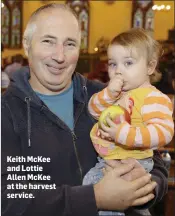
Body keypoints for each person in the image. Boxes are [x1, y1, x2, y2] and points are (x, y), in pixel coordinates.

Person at [1, 4, 168, 216]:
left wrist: (142, 185)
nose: (59, 56)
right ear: (27, 45)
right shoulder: (6, 113)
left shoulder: (107, 96)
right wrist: (95, 197)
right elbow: (8, 199)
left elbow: (157, 165)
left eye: (70, 44)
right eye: (48, 41)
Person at [83, 28, 174, 215]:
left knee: (110, 204)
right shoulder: (117, 94)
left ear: (150, 67)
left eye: (128, 63)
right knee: (89, 189)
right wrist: (108, 94)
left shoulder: (152, 97)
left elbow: (163, 132)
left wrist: (123, 134)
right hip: (107, 160)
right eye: (112, 64)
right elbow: (93, 110)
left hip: (134, 162)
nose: (118, 71)